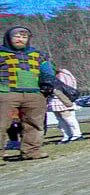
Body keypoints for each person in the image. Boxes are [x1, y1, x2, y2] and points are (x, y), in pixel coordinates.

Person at [0, 26, 56, 161]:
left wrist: (48, 82)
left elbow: (48, 70)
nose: (21, 39)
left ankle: (31, 151)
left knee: (34, 124)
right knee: (1, 124)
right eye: (17, 36)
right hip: (6, 93)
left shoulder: (38, 54)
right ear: (9, 38)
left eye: (24, 37)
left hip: (35, 93)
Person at [47, 64, 82, 143]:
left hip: (63, 99)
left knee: (68, 117)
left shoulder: (63, 74)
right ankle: (67, 135)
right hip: (53, 99)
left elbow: (68, 87)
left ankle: (77, 134)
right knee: (59, 119)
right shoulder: (47, 76)